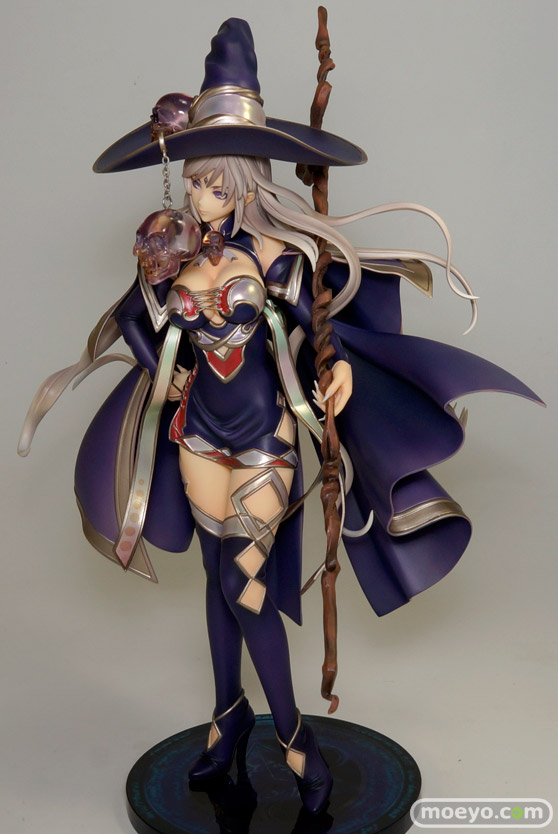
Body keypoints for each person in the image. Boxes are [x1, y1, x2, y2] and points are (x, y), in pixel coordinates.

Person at [18, 18, 542, 816]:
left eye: (217, 185)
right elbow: (132, 319)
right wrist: (162, 354)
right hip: (197, 436)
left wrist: (337, 369)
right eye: (196, 183)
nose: (204, 198)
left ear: (246, 183)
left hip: (266, 440)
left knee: (244, 584)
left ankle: (296, 740)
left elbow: (322, 335)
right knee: (217, 581)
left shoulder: (280, 261)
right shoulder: (176, 255)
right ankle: (228, 720)